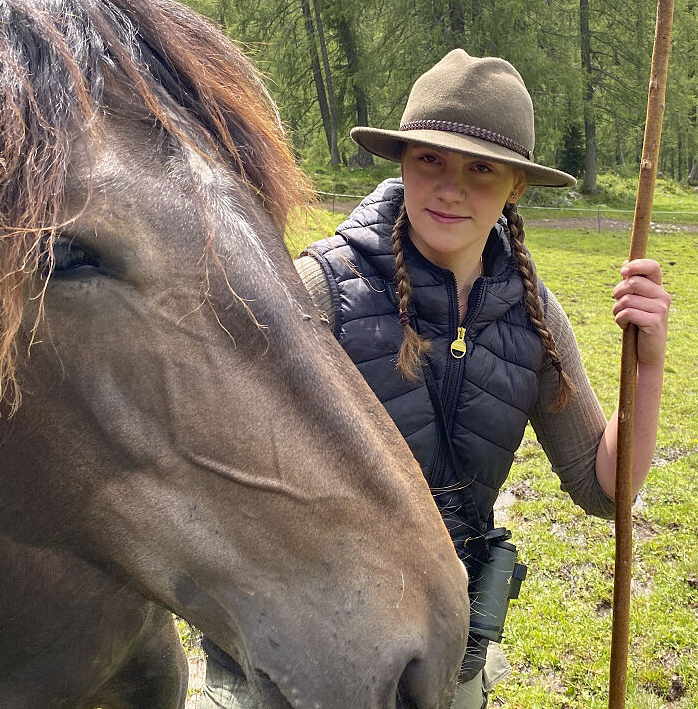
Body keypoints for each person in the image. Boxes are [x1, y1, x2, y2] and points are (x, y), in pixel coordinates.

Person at [200, 49, 669, 708]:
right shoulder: (321, 291)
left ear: (515, 187)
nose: (450, 188)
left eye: (480, 170)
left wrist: (646, 369)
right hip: (314, 659)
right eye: (431, 161)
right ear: (403, 163)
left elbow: (604, 489)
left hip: (452, 652)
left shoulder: (532, 316)